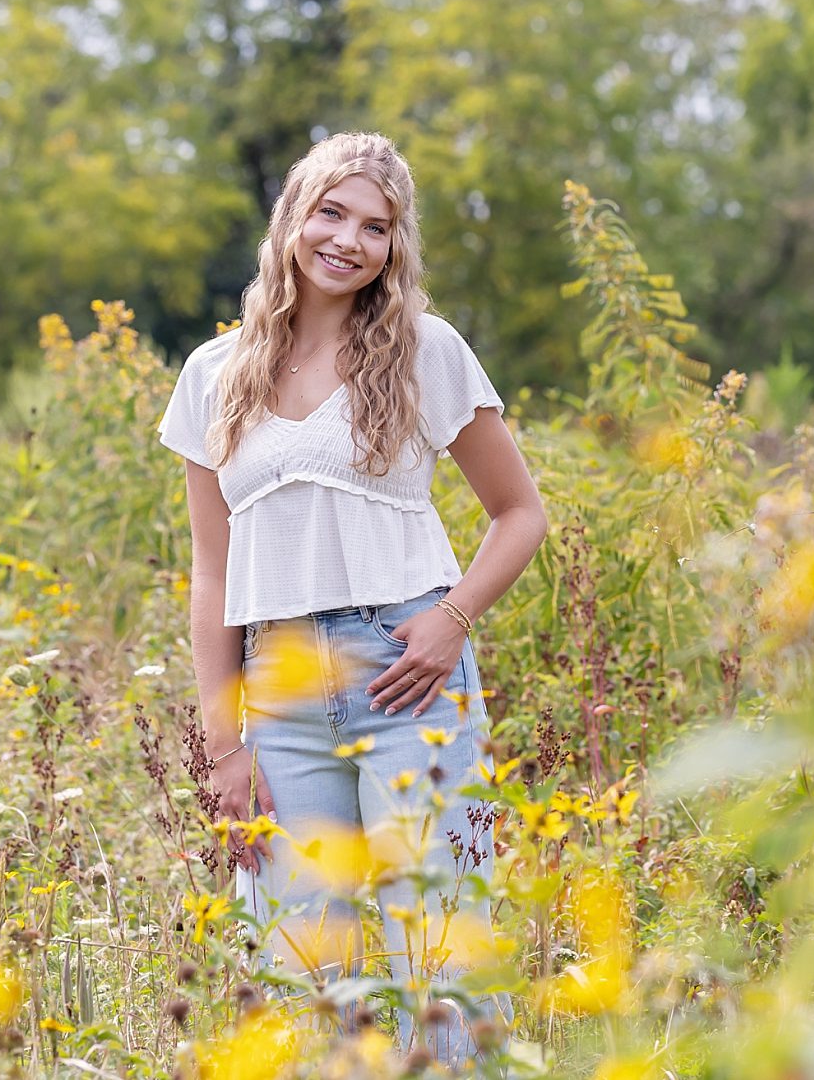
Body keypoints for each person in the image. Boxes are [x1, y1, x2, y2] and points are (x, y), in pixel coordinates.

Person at [156, 131, 548, 1065]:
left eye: (376, 227)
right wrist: (223, 747)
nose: (349, 240)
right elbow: (211, 575)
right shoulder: (214, 375)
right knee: (303, 969)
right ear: (293, 216)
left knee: (441, 957)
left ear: (392, 249)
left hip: (407, 675)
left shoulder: (423, 350)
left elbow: (520, 513)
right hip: (279, 692)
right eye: (332, 212)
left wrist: (452, 622)